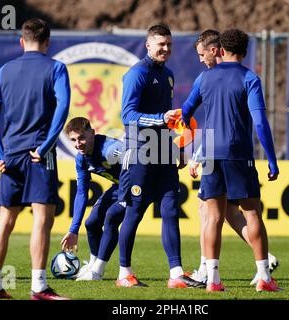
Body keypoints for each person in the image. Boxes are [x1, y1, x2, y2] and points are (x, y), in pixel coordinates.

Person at [182, 28, 281, 292]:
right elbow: (260, 122)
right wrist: (272, 160)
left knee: (213, 217)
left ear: (221, 51)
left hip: (211, 154)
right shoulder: (250, 78)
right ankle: (264, 278)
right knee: (251, 214)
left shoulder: (205, 78)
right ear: (245, 52)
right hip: (239, 154)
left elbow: (186, 111)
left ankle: (212, 280)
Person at [0, 18, 70, 300]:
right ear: (48, 42)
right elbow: (63, 106)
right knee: (42, 219)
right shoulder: (56, 68)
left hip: (10, 156)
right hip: (38, 155)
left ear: (22, 41)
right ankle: (39, 287)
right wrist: (46, 146)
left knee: (5, 220)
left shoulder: (5, 70)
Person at [117, 24, 205, 289]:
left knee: (170, 208)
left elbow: (167, 117)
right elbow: (127, 116)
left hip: (164, 149)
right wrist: (159, 119)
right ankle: (124, 273)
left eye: (169, 44)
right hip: (141, 150)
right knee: (134, 211)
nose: (166, 49)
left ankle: (176, 273)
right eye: (160, 44)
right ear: (148, 45)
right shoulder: (137, 74)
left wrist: (177, 147)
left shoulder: (167, 74)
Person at [60, 117, 127, 281]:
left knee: (111, 216)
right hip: (119, 187)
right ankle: (92, 265)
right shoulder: (81, 159)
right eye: (74, 140)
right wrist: (73, 229)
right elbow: (82, 193)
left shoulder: (110, 149)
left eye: (82, 137)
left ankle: (97, 272)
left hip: (137, 187)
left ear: (92, 133)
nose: (78, 144)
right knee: (91, 223)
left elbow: (136, 160)